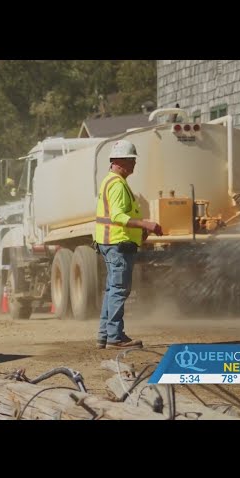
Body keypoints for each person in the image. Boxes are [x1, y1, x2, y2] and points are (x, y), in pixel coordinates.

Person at [94, 139, 163, 350]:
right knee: (119, 289)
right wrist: (146, 224)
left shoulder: (112, 181)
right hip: (117, 243)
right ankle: (115, 337)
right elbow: (117, 216)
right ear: (119, 161)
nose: (134, 165)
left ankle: (105, 335)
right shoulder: (116, 184)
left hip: (113, 242)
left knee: (112, 289)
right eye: (131, 160)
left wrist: (138, 232)